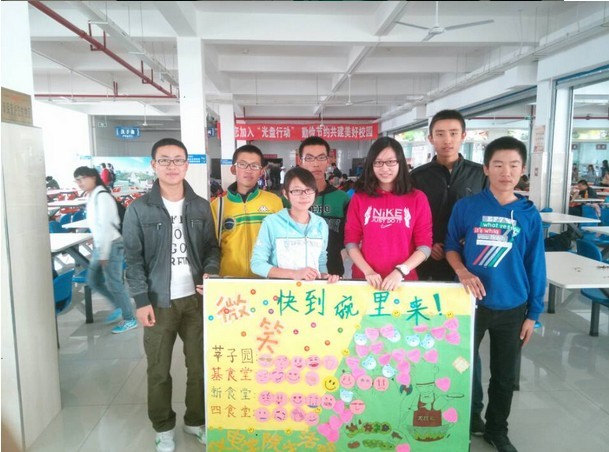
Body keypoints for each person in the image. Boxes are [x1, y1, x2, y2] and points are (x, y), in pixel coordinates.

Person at [445, 136, 546, 452]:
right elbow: (451, 246)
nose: (506, 172)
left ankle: (497, 429)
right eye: (499, 165)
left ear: (522, 169)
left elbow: (535, 265)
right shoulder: (467, 207)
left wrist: (533, 314)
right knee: (464, 367)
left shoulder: (528, 214)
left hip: (513, 307)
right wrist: (462, 271)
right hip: (470, 304)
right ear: (486, 169)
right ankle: (468, 420)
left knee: (504, 376)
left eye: (514, 165)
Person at [123, 138, 220, 451]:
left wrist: (210, 271)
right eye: (164, 160)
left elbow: (212, 248)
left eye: (178, 159)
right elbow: (132, 259)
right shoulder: (138, 209)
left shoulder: (200, 206)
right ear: (153, 165)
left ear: (187, 165)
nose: (172, 166)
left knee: (199, 367)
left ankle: (195, 421)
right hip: (158, 302)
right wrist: (141, 300)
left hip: (196, 300)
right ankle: (163, 427)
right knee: (158, 370)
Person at [344, 137, 432, 291]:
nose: (384, 168)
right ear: (371, 165)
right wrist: (368, 271)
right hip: (366, 281)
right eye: (378, 162)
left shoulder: (417, 198)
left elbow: (424, 246)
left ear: (400, 163)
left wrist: (400, 271)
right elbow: (351, 242)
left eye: (391, 162)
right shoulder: (359, 198)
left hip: (403, 282)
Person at [410, 109, 488, 282]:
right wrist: (427, 244)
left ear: (463, 136)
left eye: (453, 133)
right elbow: (409, 218)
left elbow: (487, 213)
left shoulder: (480, 175)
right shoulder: (417, 177)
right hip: (428, 258)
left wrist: (470, 239)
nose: (447, 140)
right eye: (440, 134)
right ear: (431, 138)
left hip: (468, 257)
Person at [73, 166, 137, 334]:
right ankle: (118, 305)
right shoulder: (92, 195)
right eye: (77, 180)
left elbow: (107, 226)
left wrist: (103, 253)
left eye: (82, 178)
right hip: (101, 245)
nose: (80, 183)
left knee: (114, 282)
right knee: (93, 280)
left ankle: (129, 318)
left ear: (93, 177)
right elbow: (97, 224)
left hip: (111, 245)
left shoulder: (102, 196)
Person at [250, 167, 339, 283]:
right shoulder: (272, 223)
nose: (304, 195)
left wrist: (324, 276)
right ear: (286, 194)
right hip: (282, 292)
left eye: (308, 190)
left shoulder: (320, 224)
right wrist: (294, 274)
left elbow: (321, 260)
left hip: (311, 292)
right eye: (297, 190)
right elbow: (257, 264)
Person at [211, 145, 283, 277]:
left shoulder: (274, 201)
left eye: (254, 166)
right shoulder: (218, 205)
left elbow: (281, 242)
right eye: (243, 164)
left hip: (267, 280)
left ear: (261, 171)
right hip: (230, 279)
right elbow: (212, 247)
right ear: (233, 169)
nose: (248, 170)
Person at [294, 136, 350, 276]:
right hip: (297, 273)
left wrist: (341, 258)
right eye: (309, 158)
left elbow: (350, 238)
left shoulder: (342, 199)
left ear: (328, 160)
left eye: (321, 157)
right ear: (300, 161)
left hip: (332, 273)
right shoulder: (289, 199)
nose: (316, 164)